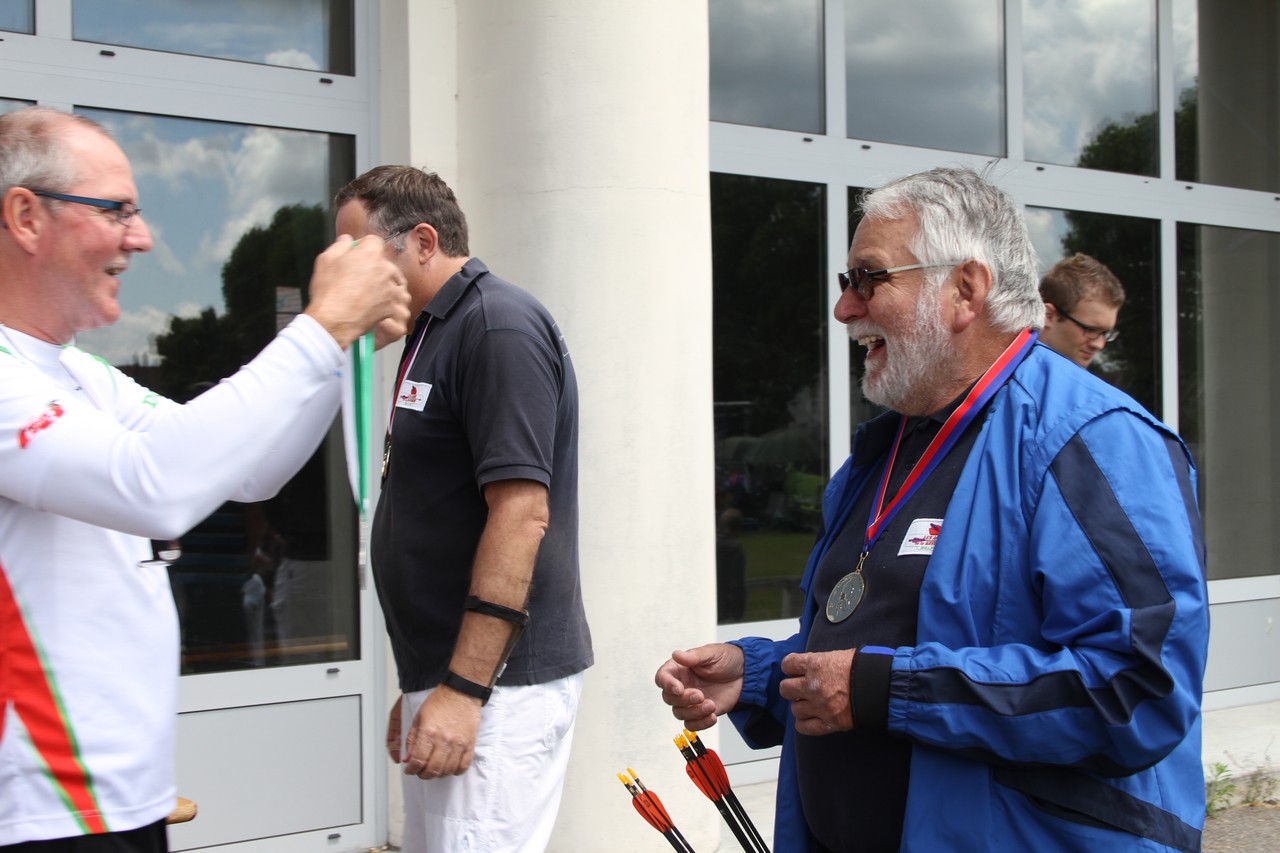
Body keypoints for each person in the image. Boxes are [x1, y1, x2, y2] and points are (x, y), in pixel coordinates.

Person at [656, 167, 1207, 852]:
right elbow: (887, 639)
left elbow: (1138, 691)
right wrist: (764, 674)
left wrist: (886, 689)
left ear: (965, 290)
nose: (845, 309)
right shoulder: (886, 450)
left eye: (869, 278)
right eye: (846, 282)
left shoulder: (1092, 439)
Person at [0, 106, 411, 850]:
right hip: (39, 810)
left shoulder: (82, 375)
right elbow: (154, 484)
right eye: (116, 210)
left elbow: (245, 471)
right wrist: (320, 330)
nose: (142, 236)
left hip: (119, 801)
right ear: (26, 216)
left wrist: (335, 349)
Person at [333, 166, 593, 852]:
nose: (342, 272)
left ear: (422, 241)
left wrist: (462, 688)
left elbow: (520, 515)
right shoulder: (433, 331)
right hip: (461, 678)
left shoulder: (495, 325)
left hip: (498, 687)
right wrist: (429, 684)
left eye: (357, 251)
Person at [1038, 252, 1125, 368]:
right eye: (1091, 330)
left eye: (1106, 333)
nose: (1100, 345)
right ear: (1048, 316)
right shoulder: (1008, 375)